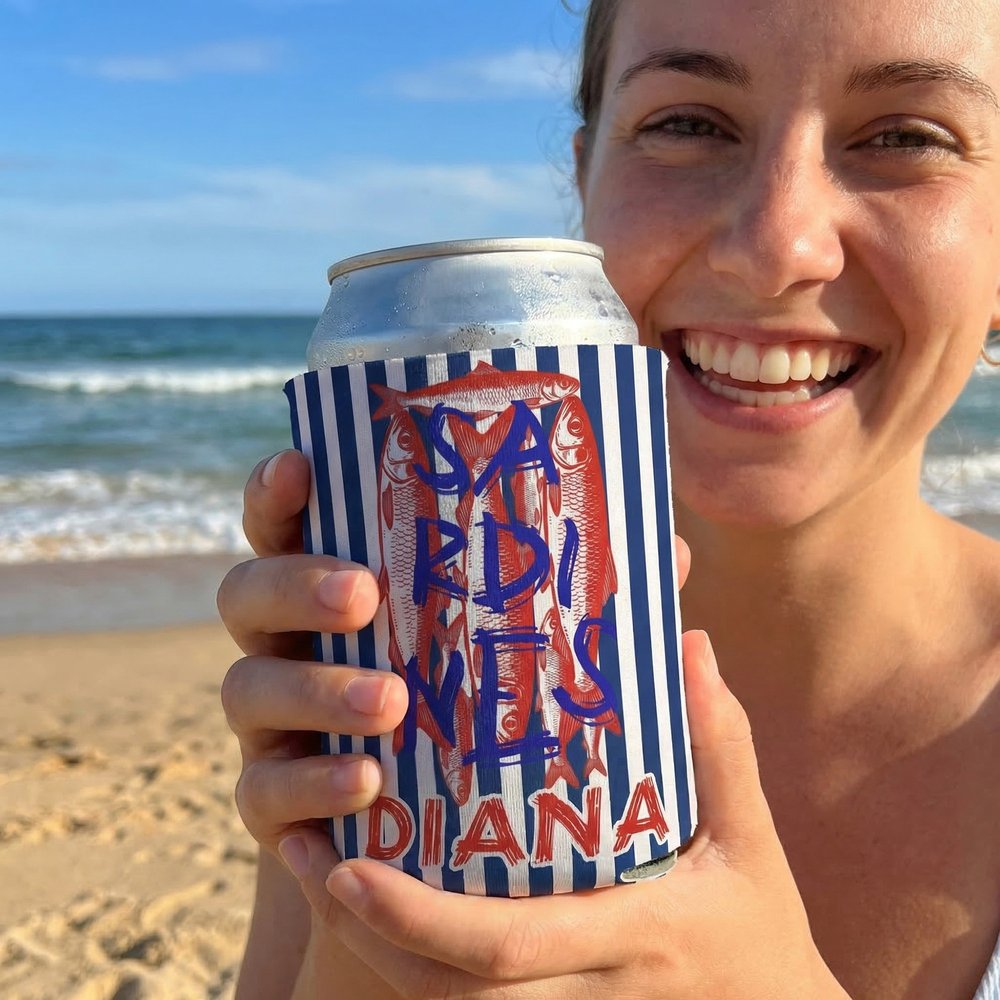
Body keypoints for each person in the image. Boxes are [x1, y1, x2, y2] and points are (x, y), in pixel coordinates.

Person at [216, 0, 1000, 996]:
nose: (776, 247)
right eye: (688, 122)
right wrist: (368, 912)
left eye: (906, 137)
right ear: (586, 181)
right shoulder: (385, 694)